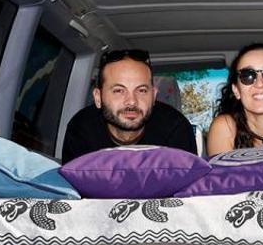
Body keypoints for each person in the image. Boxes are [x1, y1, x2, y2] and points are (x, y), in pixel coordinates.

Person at [61, 49, 198, 163]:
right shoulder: (81, 129)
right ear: (98, 97)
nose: (132, 101)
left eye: (142, 90)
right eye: (119, 91)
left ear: (154, 96)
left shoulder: (176, 130)